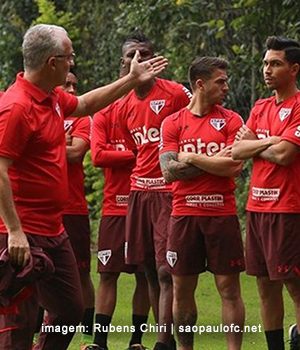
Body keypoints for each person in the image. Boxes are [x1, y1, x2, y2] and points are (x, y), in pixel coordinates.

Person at [0, 23, 167, 350]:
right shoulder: (16, 106)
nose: (72, 63)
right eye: (69, 57)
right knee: (17, 320)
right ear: (51, 62)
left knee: (69, 309)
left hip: (53, 228)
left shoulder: (52, 97)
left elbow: (88, 104)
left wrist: (131, 80)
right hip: (21, 232)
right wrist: (15, 230)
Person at [159, 56, 245, 350]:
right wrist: (216, 159)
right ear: (200, 84)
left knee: (229, 288)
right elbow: (169, 172)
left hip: (222, 213)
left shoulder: (232, 119)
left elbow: (234, 166)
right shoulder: (172, 122)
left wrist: (193, 157)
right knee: (182, 290)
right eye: (220, 81)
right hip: (183, 215)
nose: (226, 86)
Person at [119, 31, 191, 350]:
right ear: (123, 63)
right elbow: (134, 147)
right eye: (132, 55)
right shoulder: (122, 103)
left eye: (145, 54)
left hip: (167, 192)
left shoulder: (175, 93)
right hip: (138, 192)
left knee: (166, 269)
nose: (139, 60)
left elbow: (197, 120)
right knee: (148, 269)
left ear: (154, 59)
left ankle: (164, 342)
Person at [232, 36, 300, 350]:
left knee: (294, 284)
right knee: (264, 285)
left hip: (288, 208)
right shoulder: (260, 107)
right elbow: (238, 149)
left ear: (294, 69)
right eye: (265, 63)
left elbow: (287, 154)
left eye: (275, 63)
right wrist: (268, 142)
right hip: (256, 207)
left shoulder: (299, 106)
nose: (267, 70)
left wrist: (257, 141)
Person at [89, 80, 150, 350]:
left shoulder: (148, 113)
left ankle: (136, 341)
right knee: (107, 274)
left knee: (146, 275)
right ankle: (99, 343)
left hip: (146, 201)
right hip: (114, 205)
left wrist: (124, 154)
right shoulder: (103, 113)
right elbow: (98, 156)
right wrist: (135, 153)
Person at [61, 71, 95, 347]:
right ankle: (38, 323)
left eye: (75, 84)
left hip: (73, 205)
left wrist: (41, 146)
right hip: (40, 208)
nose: (72, 89)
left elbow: (76, 154)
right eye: (66, 84)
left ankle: (87, 324)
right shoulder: (35, 111)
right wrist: (61, 142)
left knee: (81, 270)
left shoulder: (81, 118)